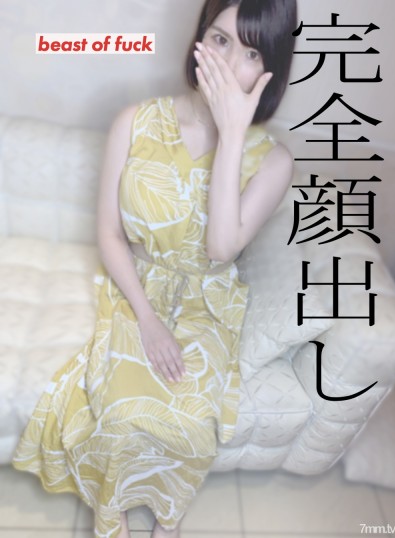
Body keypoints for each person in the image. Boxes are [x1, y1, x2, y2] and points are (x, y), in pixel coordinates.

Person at [11, 0, 297, 536]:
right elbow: (110, 234)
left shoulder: (273, 160)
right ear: (200, 39)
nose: (228, 61)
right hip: (137, 285)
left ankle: (168, 514)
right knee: (120, 407)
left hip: (208, 299)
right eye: (220, 40)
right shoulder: (135, 122)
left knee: (190, 419)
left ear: (270, 70)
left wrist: (232, 133)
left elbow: (220, 249)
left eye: (251, 52)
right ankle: (113, 512)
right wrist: (146, 318)